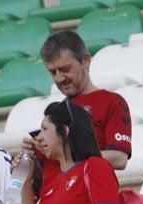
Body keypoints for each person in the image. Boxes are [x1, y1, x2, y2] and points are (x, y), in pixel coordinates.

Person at [31, 29, 131, 173]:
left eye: (64, 69)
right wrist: (32, 156)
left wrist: (69, 153)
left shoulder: (111, 102)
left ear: (85, 61)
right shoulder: (57, 112)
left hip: (86, 191)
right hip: (53, 193)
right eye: (53, 72)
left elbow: (120, 158)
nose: (59, 78)